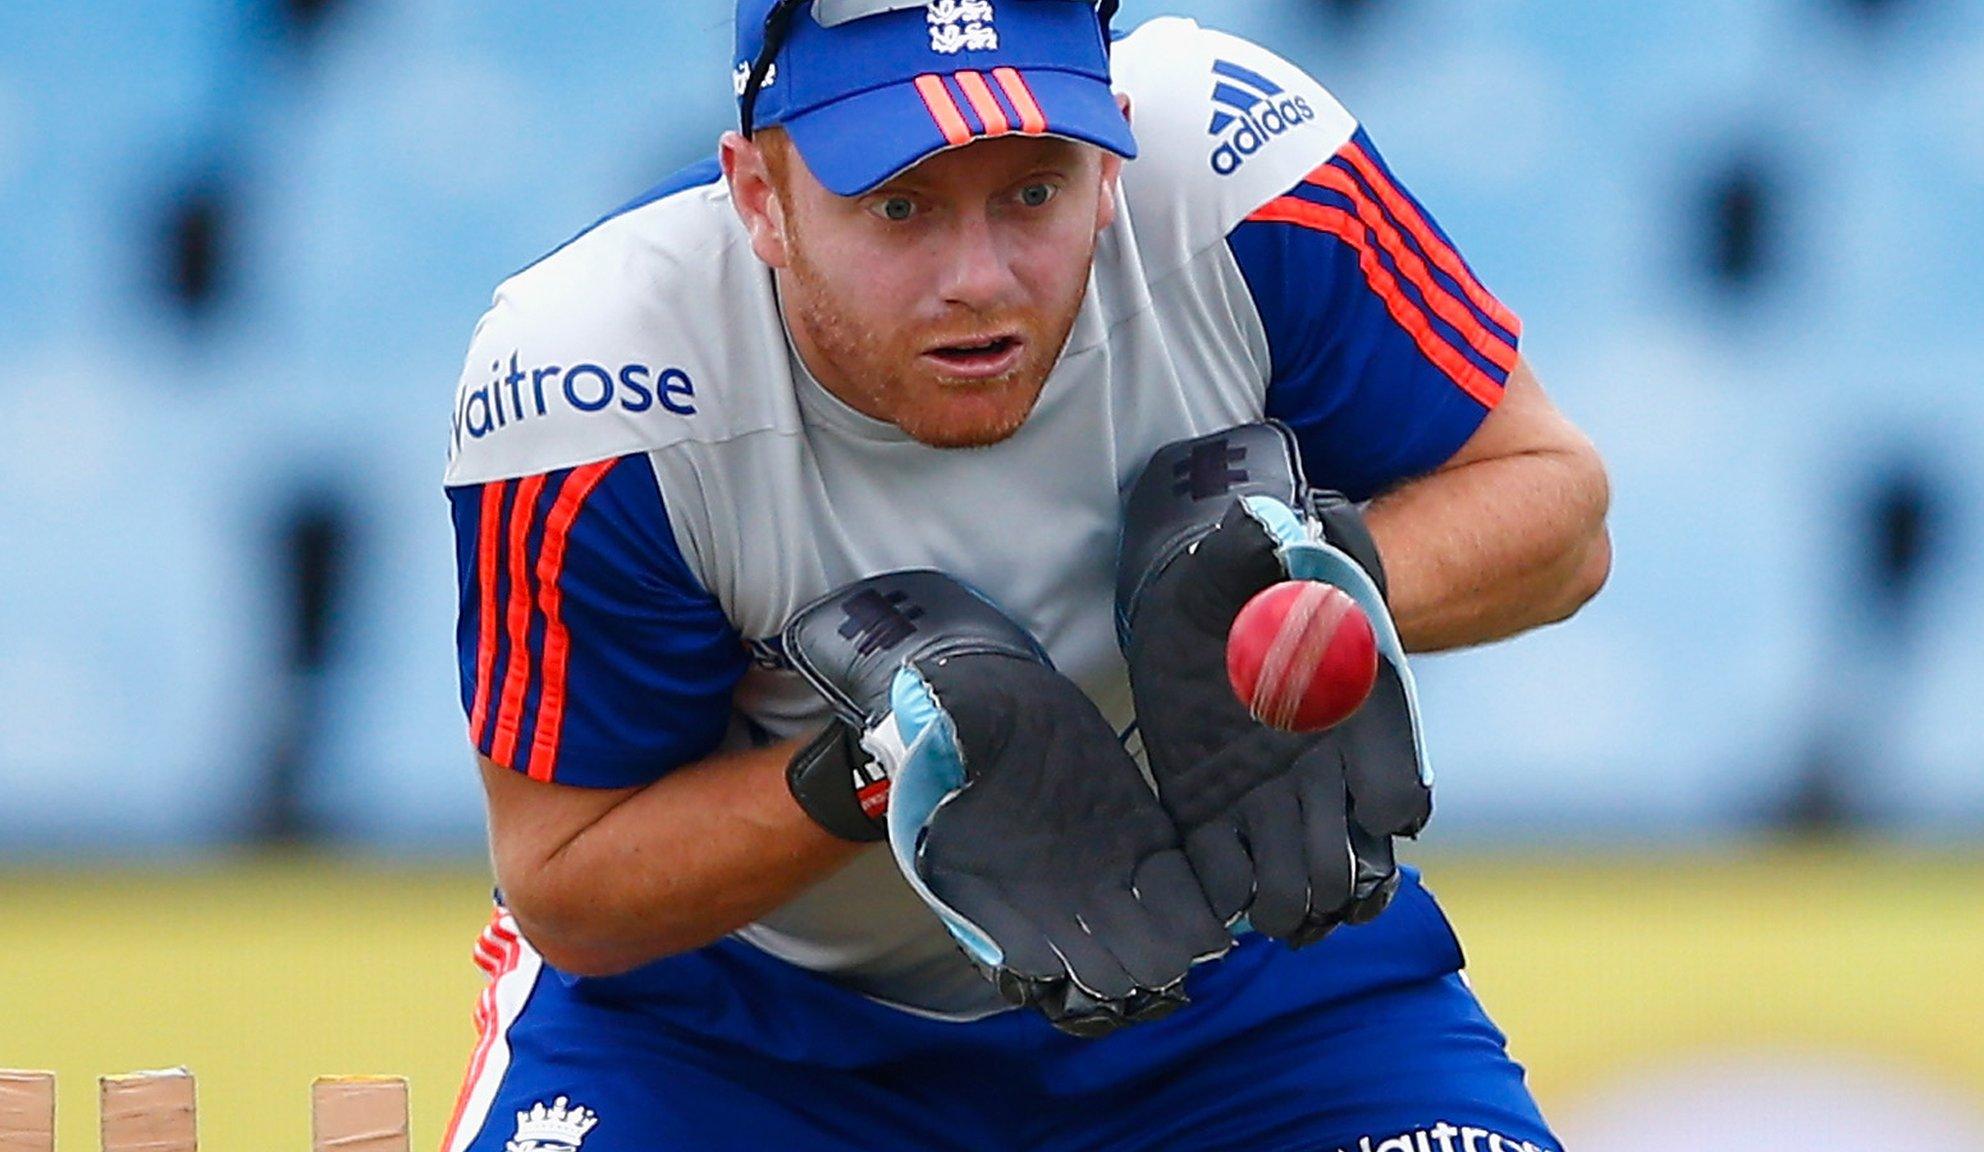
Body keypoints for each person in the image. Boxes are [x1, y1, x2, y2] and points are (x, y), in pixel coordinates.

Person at [440, 1, 1611, 1149]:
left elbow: (1557, 516)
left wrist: (1298, 590)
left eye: (1033, 190)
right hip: (734, 1036)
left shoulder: (1239, 171)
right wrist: (880, 773)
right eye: (899, 204)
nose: (979, 278)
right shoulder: (592, 387)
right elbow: (567, 884)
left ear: (1110, 156)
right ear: (761, 196)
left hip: (1245, 979)